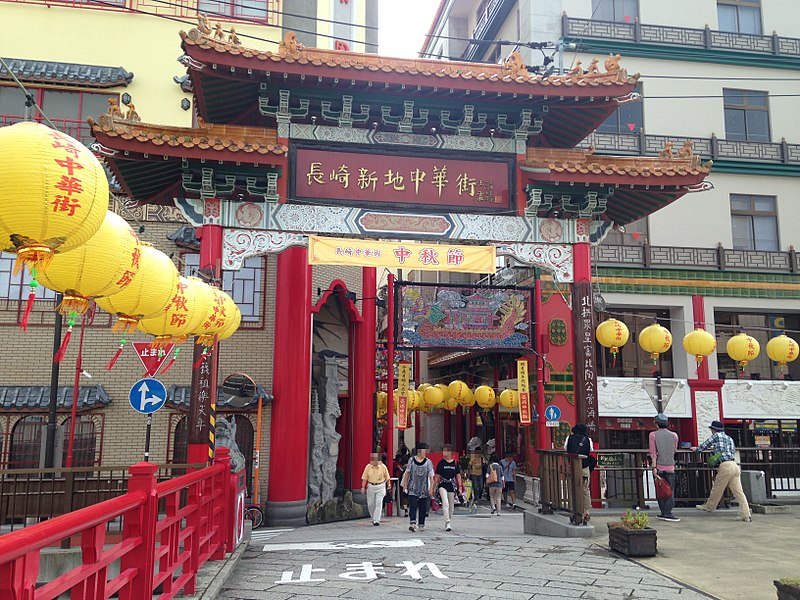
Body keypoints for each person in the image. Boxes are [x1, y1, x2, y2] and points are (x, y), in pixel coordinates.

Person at [694, 421, 752, 522]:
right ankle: (746, 514)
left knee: (717, 487)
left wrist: (696, 449)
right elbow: (732, 451)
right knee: (739, 492)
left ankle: (710, 506)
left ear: (714, 429)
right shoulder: (729, 438)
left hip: (725, 466)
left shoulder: (716, 436)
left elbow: (704, 446)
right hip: (734, 465)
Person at [649, 413, 680, 522]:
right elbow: (674, 450)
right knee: (670, 490)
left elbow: (653, 453)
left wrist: (654, 467)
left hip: (659, 467)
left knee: (660, 490)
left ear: (656, 424)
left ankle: (664, 512)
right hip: (671, 466)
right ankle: (668, 512)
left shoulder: (653, 435)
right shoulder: (674, 435)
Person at [564, 423, 593, 525]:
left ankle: (574, 511)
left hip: (572, 467)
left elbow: (565, 449)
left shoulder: (569, 438)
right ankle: (586, 512)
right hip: (584, 467)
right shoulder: (588, 440)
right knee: (585, 490)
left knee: (572, 490)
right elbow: (591, 450)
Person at [402, 443, 435, 532]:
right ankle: (412, 523)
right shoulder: (411, 461)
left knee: (422, 507)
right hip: (413, 486)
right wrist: (405, 485)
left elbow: (432, 476)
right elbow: (407, 473)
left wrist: (431, 488)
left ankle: (421, 523)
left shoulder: (428, 462)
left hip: (424, 488)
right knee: (413, 505)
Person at [434, 444, 462, 532]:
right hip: (442, 485)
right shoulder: (441, 463)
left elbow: (458, 475)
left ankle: (448, 521)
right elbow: (437, 475)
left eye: (445, 451)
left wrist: (460, 487)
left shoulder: (455, 463)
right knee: (445, 503)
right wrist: (434, 486)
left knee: (451, 506)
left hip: (452, 486)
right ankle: (447, 522)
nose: (443, 453)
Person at [360, 452, 392, 526]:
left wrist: (389, 485)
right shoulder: (368, 467)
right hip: (371, 486)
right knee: (371, 504)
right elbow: (364, 478)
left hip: (380, 486)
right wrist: (362, 487)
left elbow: (387, 477)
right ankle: (373, 517)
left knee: (378, 502)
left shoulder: (383, 467)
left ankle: (376, 520)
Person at [393, 446, 410, 516]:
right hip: (410, 484)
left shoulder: (400, 466)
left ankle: (406, 510)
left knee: (403, 497)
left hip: (400, 482)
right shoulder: (410, 468)